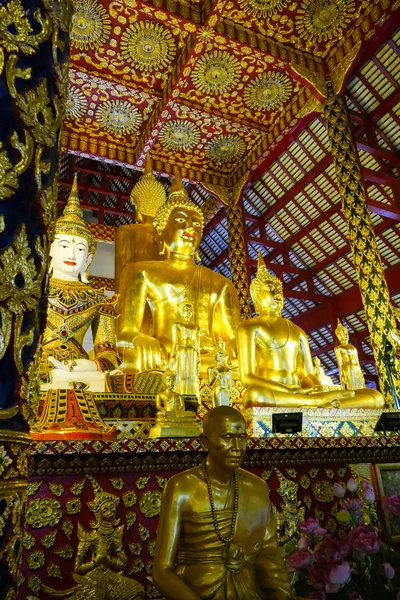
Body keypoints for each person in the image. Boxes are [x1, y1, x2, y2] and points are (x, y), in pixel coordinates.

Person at [153, 405, 292, 600]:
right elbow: (162, 571)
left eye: (242, 438)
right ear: (205, 441)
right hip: (196, 593)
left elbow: (269, 555)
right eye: (227, 438)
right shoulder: (181, 487)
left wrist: (281, 595)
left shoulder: (257, 488)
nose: (237, 447)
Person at [116, 171, 241, 375]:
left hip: (208, 359)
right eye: (181, 220)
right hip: (164, 355)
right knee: (135, 360)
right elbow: (124, 333)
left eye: (197, 223)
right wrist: (140, 339)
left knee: (243, 365)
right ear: (161, 230)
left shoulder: (221, 283)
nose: (191, 226)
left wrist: (229, 350)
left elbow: (235, 339)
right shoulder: (139, 272)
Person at [237, 252, 369, 408]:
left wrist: (317, 387)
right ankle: (318, 404)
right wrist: (287, 390)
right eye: (269, 289)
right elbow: (247, 377)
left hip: (299, 392)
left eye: (279, 289)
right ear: (256, 296)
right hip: (275, 392)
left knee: (374, 397)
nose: (277, 293)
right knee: (254, 395)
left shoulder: (297, 331)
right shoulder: (249, 327)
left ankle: (316, 402)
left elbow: (306, 374)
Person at [42, 476, 144, 599]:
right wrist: (95, 561)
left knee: (137, 590)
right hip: (93, 577)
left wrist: (109, 560)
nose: (110, 511)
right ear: (97, 511)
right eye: (105, 509)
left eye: (112, 508)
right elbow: (78, 568)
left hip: (112, 577)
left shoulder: (115, 534)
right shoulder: (90, 536)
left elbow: (123, 563)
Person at [169, 300, 200, 396]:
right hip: (181, 350)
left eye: (190, 311)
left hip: (192, 352)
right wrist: (172, 357)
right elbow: (175, 342)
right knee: (181, 374)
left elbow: (197, 345)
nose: (188, 312)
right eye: (186, 310)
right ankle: (180, 394)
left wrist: (199, 360)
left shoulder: (196, 327)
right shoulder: (177, 325)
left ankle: (191, 394)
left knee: (192, 376)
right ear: (181, 312)